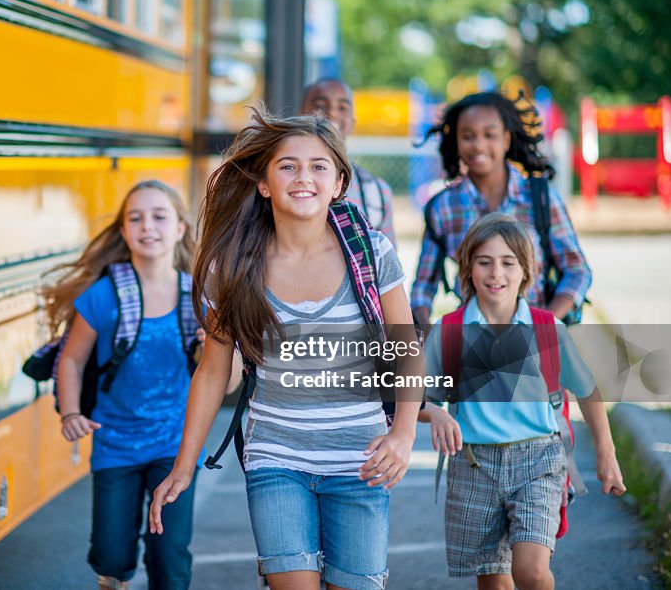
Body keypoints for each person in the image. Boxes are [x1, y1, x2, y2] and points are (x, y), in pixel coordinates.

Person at [149, 109, 423, 590]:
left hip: (361, 460)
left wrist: (402, 434)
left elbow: (406, 348)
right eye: (288, 165)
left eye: (319, 166)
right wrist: (183, 465)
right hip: (276, 458)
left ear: (339, 183)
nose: (304, 177)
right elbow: (213, 373)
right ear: (263, 183)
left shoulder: (372, 254)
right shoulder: (233, 267)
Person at [420, 213, 625, 590]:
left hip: (539, 461)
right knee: (494, 581)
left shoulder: (548, 328)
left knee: (529, 572)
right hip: (474, 464)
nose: (496, 273)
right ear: (467, 269)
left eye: (507, 262)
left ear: (526, 270)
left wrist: (606, 455)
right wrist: (434, 413)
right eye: (484, 262)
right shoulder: (449, 331)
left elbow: (587, 389)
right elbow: (416, 399)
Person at [51, 180, 227, 590]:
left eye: (159, 216)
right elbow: (72, 360)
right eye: (136, 218)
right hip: (115, 444)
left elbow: (223, 376)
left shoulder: (199, 297)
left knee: (170, 553)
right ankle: (114, 580)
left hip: (176, 445)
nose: (148, 226)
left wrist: (210, 349)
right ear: (124, 231)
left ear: (180, 228)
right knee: (111, 554)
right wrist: (72, 411)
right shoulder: (103, 296)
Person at [411, 91, 591, 327]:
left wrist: (544, 324)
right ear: (456, 141)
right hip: (471, 344)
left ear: (506, 139)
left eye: (489, 135)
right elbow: (423, 287)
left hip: (536, 342)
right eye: (467, 136)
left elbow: (577, 271)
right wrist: (427, 335)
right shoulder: (443, 207)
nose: (478, 145)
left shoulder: (541, 199)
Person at [301, 77, 397, 246]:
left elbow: (387, 264)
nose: (333, 112)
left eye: (343, 107)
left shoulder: (376, 193)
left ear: (353, 122)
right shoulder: (281, 181)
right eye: (320, 105)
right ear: (300, 115)